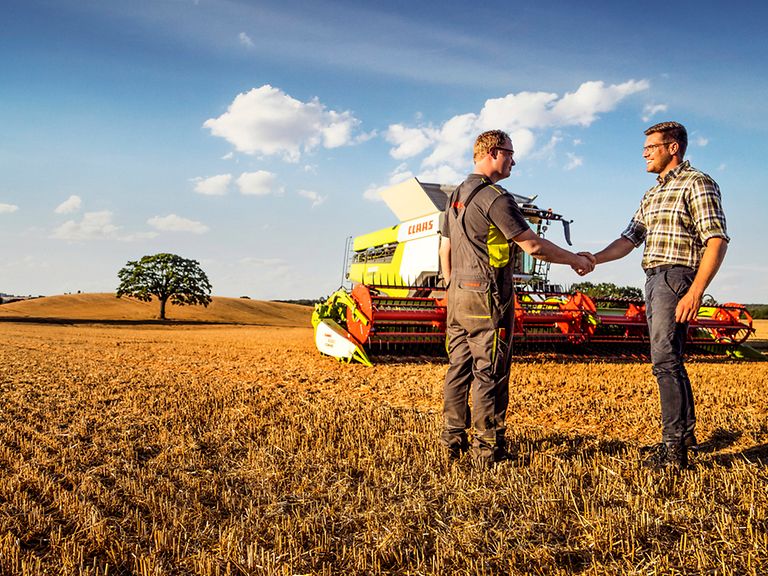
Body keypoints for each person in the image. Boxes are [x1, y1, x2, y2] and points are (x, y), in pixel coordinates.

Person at [439, 129, 594, 468]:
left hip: (458, 297)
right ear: (493, 152)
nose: (513, 160)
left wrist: (452, 288)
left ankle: (452, 440)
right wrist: (576, 260)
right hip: (487, 298)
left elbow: (445, 249)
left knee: (458, 369)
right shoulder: (497, 198)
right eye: (510, 153)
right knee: (489, 372)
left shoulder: (453, 198)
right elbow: (533, 245)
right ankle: (487, 450)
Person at [585, 121, 728, 470]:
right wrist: (594, 259)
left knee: (664, 360)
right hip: (653, 279)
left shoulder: (697, 183)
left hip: (677, 277)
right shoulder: (652, 194)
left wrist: (695, 292)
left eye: (651, 147)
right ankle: (685, 436)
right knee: (670, 358)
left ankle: (673, 449)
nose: (645, 153)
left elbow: (716, 239)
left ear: (673, 147)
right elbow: (630, 238)